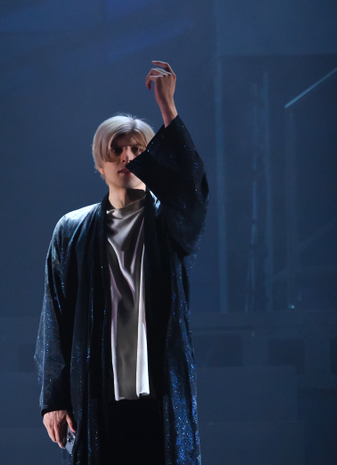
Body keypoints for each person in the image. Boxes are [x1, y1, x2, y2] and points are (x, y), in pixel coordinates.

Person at [35, 61, 209, 465]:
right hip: (99, 391)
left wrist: (168, 108)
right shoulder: (72, 229)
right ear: (100, 164)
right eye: (116, 150)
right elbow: (55, 314)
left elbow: (192, 195)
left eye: (137, 150)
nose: (126, 156)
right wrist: (54, 399)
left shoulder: (169, 222)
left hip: (158, 391)